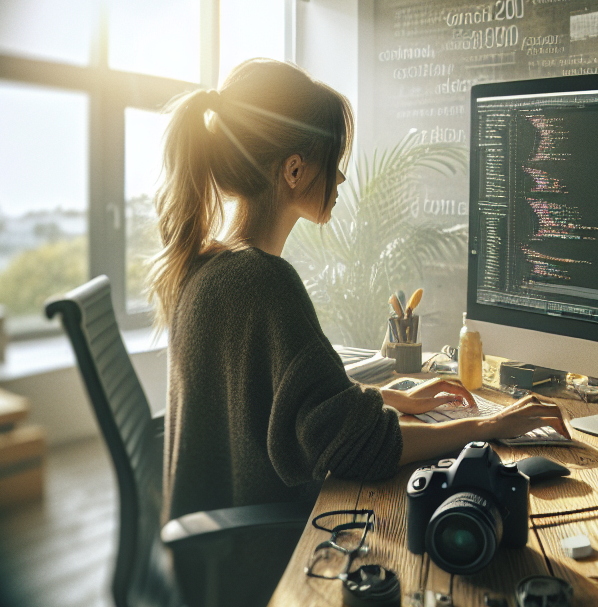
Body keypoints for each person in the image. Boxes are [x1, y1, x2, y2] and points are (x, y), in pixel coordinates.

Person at [150, 59, 568, 606]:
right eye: (335, 162)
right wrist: (488, 425)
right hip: (259, 565)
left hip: (211, 562)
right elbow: (355, 446)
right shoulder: (261, 280)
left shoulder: (208, 263)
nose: (342, 178)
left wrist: (393, 397)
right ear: (294, 170)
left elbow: (284, 401)